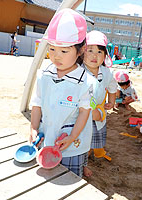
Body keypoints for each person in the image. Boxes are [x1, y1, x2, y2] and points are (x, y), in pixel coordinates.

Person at [29, 9, 95, 177]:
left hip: (73, 145)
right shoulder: (43, 74)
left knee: (69, 177)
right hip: (47, 138)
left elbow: (84, 112)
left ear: (80, 50)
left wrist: (72, 137)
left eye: (64, 51)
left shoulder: (86, 82)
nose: (56, 56)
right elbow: (37, 103)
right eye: (52, 49)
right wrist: (33, 127)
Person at [82, 30, 117, 176]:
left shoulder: (106, 72)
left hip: (98, 113)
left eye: (99, 52)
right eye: (90, 50)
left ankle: (92, 153)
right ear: (82, 52)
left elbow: (112, 86)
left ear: (105, 55)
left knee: (95, 136)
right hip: (82, 114)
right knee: (82, 139)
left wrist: (111, 101)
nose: (94, 56)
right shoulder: (78, 71)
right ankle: (83, 163)